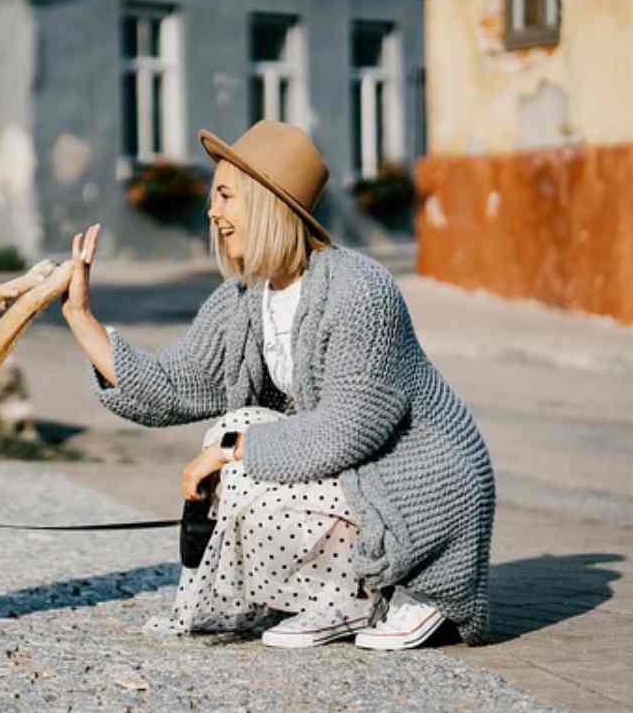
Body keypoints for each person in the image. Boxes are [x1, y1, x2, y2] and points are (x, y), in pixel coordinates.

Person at [60, 121, 494, 649]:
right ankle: (334, 597)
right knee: (235, 428)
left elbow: (348, 430)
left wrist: (229, 453)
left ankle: (391, 589)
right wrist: (81, 318)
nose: (211, 212)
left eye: (225, 196)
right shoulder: (246, 298)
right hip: (354, 476)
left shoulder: (360, 291)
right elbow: (173, 386)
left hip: (418, 486)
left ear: (267, 202)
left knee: (237, 448)